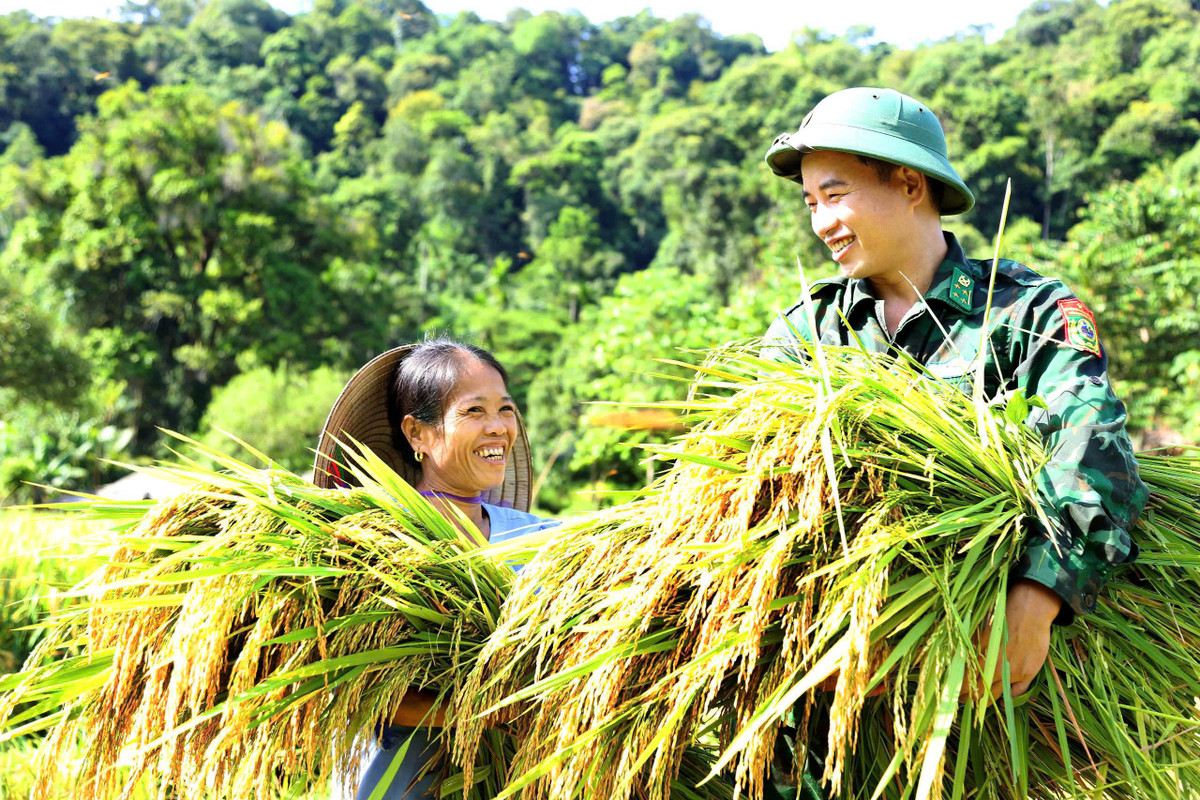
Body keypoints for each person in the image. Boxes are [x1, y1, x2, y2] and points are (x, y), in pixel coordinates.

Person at [759, 87, 1148, 796]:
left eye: (834, 194)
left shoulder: (1029, 314)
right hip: (832, 730)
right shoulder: (804, 338)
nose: (820, 221)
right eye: (810, 202)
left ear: (908, 184)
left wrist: (1038, 595)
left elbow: (1092, 443)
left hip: (1001, 707)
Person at [313, 338, 557, 800]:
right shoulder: (374, 544)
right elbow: (360, 692)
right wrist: (501, 709)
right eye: (473, 412)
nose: (498, 428)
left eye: (505, 410)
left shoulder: (547, 541)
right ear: (418, 434)